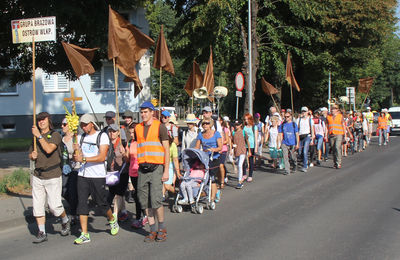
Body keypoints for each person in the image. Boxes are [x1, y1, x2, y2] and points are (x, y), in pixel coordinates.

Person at [73, 113, 119, 245]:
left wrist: (83, 158)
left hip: (97, 175)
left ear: (92, 124)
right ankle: (84, 234)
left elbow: (101, 157)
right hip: (83, 175)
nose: (83, 126)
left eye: (85, 124)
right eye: (81, 124)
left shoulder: (102, 136)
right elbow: (78, 157)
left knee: (101, 203)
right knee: (82, 203)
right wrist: (76, 152)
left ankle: (112, 220)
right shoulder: (81, 137)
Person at [29, 112, 70, 243]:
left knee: (54, 207)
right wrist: (32, 156)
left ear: (48, 120)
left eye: (43, 119)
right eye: (39, 120)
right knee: (38, 205)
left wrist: (39, 135)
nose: (41, 122)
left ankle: (65, 219)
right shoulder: (35, 138)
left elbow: (48, 149)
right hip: (38, 175)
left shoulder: (55, 135)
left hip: (52, 175)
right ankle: (42, 232)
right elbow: (31, 153)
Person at [135, 101, 170, 242]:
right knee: (144, 201)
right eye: (141, 112)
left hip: (156, 168)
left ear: (152, 112)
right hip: (142, 169)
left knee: (156, 200)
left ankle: (161, 228)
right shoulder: (137, 128)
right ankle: (152, 229)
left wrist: (166, 171)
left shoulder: (160, 127)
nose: (143, 114)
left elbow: (166, 150)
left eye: (146, 112)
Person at [125, 123, 148, 229]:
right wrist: (124, 154)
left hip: (141, 171)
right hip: (132, 172)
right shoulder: (130, 143)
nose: (132, 135)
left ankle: (141, 217)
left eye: (133, 132)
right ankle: (144, 215)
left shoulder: (143, 142)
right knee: (137, 195)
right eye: (130, 133)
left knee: (140, 195)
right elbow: (127, 160)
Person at [195, 119, 222, 202]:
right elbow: (197, 147)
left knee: (211, 177)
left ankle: (212, 198)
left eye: (207, 123)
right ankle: (216, 192)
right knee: (204, 177)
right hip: (205, 158)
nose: (205, 125)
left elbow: (220, 147)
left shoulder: (216, 134)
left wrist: (213, 149)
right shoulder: (200, 135)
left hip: (215, 158)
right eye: (204, 123)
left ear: (211, 124)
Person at [107, 124, 130, 222]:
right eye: (110, 131)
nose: (112, 133)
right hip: (111, 173)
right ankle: (124, 211)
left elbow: (127, 160)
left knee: (118, 194)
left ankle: (115, 215)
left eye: (114, 131)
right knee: (115, 193)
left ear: (118, 133)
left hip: (122, 172)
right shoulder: (107, 144)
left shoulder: (122, 143)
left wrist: (124, 153)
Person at [61, 118, 80, 225]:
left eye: (64, 124)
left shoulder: (75, 138)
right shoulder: (62, 139)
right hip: (65, 166)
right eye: (62, 125)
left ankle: (73, 214)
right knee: (63, 190)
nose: (62, 126)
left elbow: (80, 152)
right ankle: (76, 205)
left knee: (72, 192)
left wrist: (76, 150)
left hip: (75, 167)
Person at [277, 111, 299, 175]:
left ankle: (295, 164)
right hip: (284, 143)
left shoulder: (294, 124)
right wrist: (280, 143)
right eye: (285, 117)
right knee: (285, 157)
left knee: (292, 157)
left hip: (292, 143)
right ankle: (287, 170)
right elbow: (280, 134)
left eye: (288, 116)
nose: (286, 118)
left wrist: (297, 143)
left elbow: (297, 134)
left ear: (291, 117)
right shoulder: (283, 125)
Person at [296, 107, 314, 172]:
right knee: (300, 152)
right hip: (300, 136)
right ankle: (304, 161)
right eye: (302, 111)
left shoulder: (310, 120)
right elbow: (296, 129)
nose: (303, 113)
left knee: (305, 151)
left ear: (307, 112)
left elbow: (312, 129)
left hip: (307, 136)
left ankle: (305, 166)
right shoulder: (298, 120)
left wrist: (312, 138)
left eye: (305, 111)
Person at [163, 135, 181, 200]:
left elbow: (175, 159)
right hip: (160, 164)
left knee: (167, 186)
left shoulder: (173, 145)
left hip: (169, 164)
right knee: (163, 183)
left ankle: (179, 194)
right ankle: (161, 196)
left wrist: (177, 172)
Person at [232, 119, 247, 189]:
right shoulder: (233, 133)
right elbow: (231, 141)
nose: (236, 126)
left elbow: (247, 141)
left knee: (240, 165)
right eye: (235, 125)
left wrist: (249, 150)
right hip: (236, 151)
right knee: (238, 165)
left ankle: (239, 181)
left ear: (241, 125)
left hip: (243, 150)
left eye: (237, 125)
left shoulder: (243, 132)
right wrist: (232, 148)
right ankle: (240, 178)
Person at [218, 116, 231, 188]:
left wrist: (220, 143)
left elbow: (227, 140)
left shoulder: (224, 129)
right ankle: (219, 180)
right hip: (217, 149)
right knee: (217, 166)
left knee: (221, 165)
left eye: (220, 120)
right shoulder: (215, 129)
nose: (219, 122)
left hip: (223, 149)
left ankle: (222, 181)